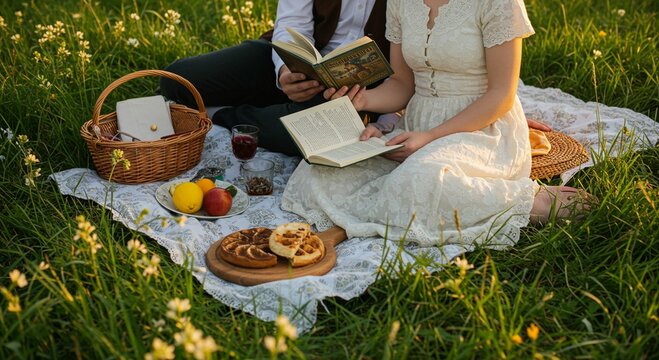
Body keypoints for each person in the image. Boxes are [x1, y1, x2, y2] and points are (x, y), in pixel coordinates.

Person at [280, 0, 595, 247]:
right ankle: (410, 197)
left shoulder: (499, 2)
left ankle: (531, 202)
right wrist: (363, 101)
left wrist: (431, 137)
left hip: (482, 127)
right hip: (418, 122)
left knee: (421, 179)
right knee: (317, 173)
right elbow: (404, 85)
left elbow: (502, 94)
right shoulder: (401, 1)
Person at [159, 0, 550, 157]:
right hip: (295, 63)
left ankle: (229, 114)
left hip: (362, 87)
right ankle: (276, 105)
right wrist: (284, 73)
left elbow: (438, 61)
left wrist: (382, 117)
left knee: (313, 132)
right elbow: (291, 22)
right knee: (178, 79)